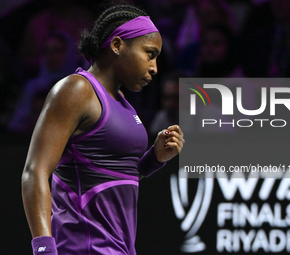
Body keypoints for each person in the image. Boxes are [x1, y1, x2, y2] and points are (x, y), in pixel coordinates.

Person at [21, 4, 185, 255]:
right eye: (149, 54)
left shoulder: (122, 102)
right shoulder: (76, 90)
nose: (154, 68)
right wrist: (44, 249)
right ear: (118, 45)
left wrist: (154, 159)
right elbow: (35, 172)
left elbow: (110, 176)